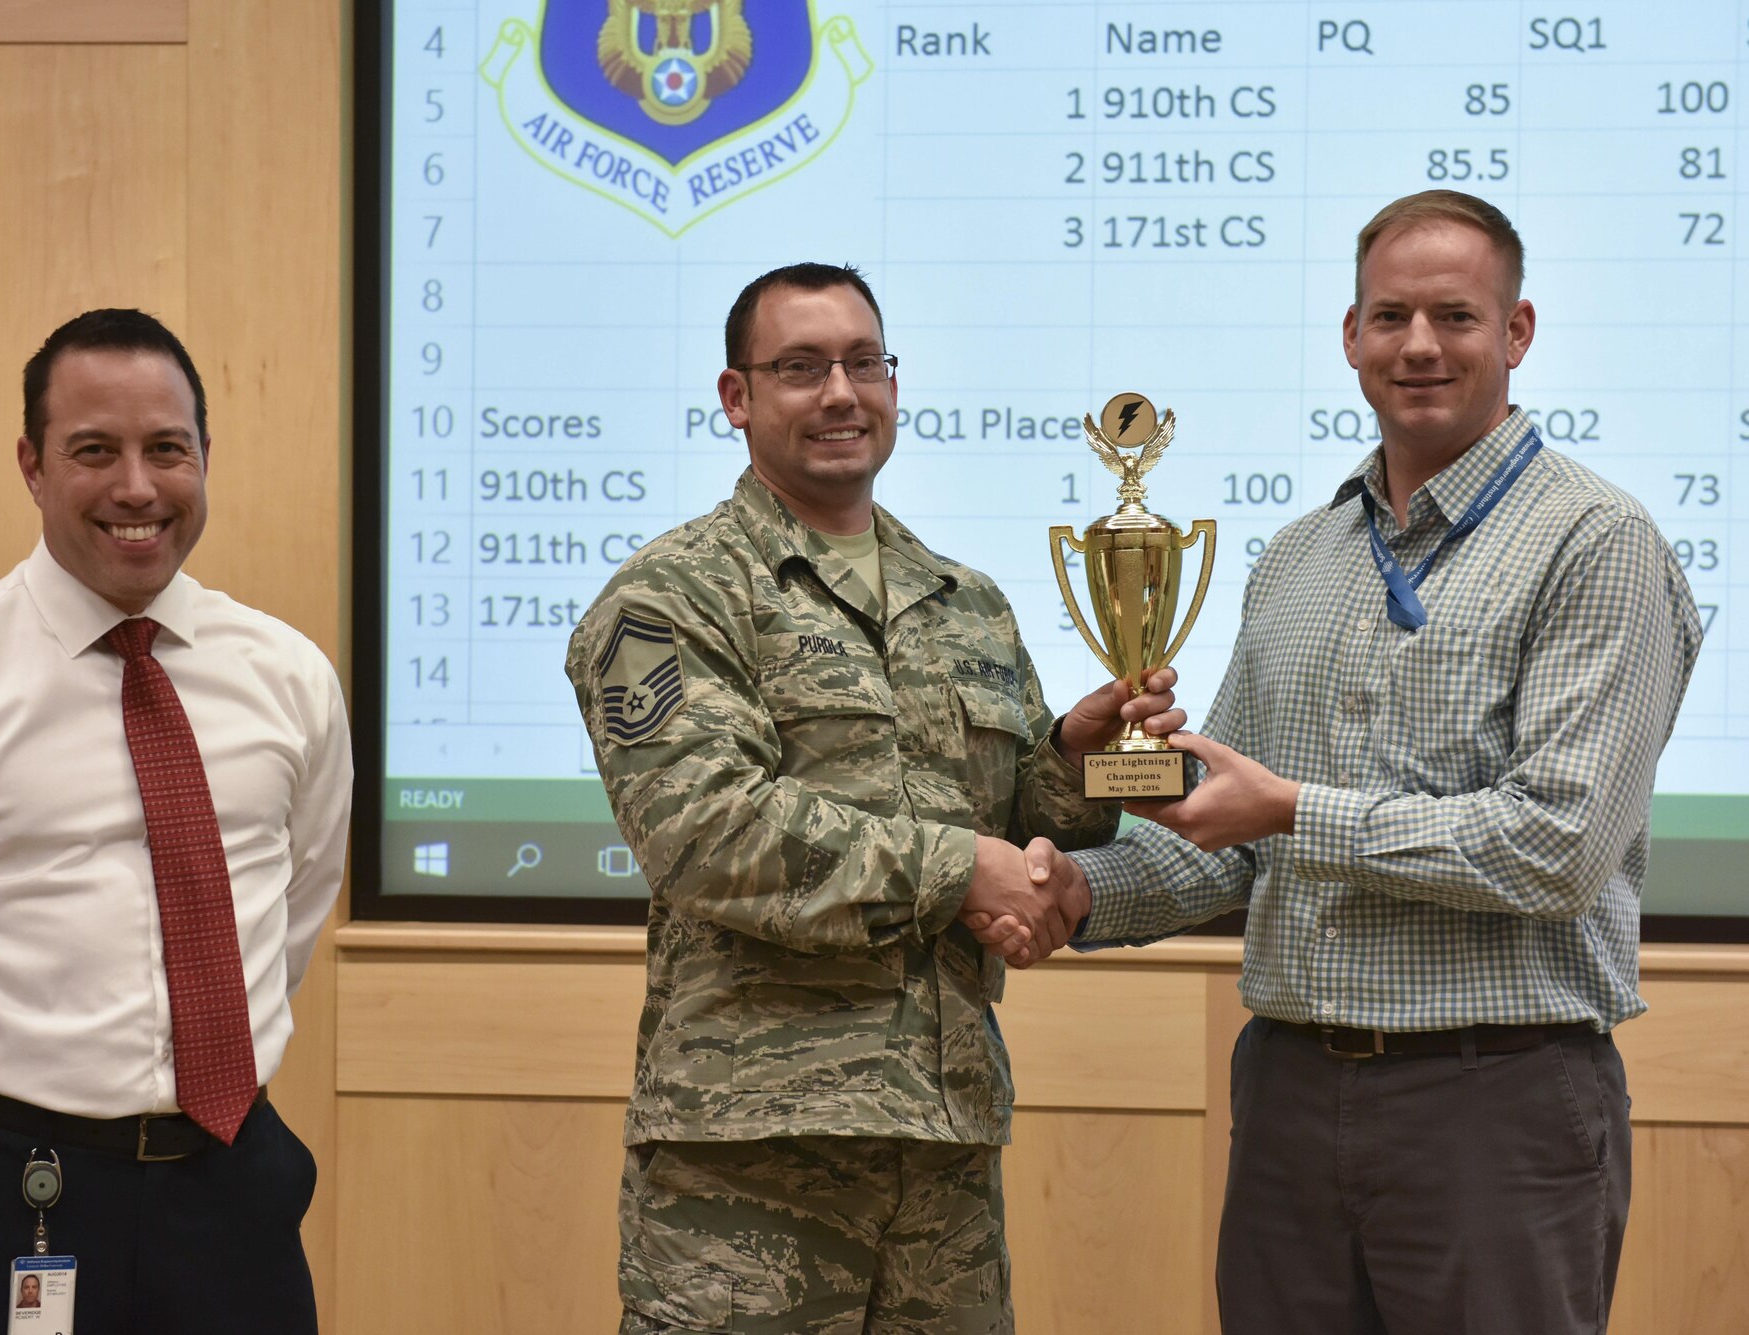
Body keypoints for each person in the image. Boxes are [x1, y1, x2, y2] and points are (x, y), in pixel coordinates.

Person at [976, 190, 1703, 1333]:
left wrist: (1292, 813)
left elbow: (1555, 849)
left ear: (1514, 334)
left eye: (1455, 317)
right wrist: (1077, 891)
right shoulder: (1298, 559)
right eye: (1389, 316)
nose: (1418, 345)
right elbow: (1231, 844)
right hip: (1286, 1094)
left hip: (1493, 1100)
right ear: (1350, 337)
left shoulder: (1593, 544)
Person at [565, 262, 1180, 1334]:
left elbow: (1017, 827)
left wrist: (1074, 764)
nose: (840, 393)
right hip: (747, 1165)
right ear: (736, 397)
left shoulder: (966, 603)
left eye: (863, 363)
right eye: (800, 368)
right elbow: (705, 831)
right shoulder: (668, 598)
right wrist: (962, 869)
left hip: (941, 1147)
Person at [0, 309, 353, 1334]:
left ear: (205, 459)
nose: (137, 487)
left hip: (231, 1193)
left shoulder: (290, 679)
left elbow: (292, 912)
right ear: (32, 467)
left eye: (166, 450)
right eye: (95, 451)